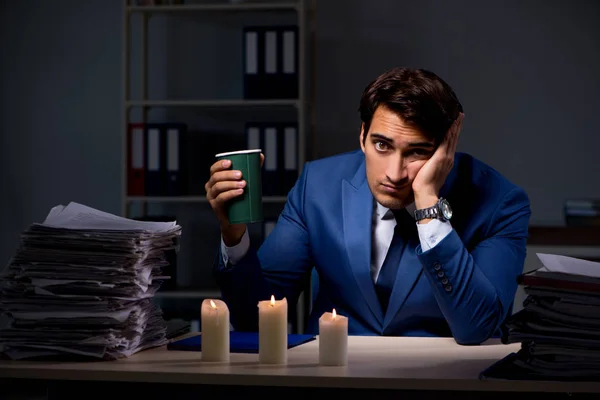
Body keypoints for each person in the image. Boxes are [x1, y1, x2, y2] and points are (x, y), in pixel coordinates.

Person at [205, 67, 531, 345]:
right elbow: (256, 317)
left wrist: (428, 206)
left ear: (446, 149)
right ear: (362, 135)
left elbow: (477, 328)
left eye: (417, 152)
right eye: (382, 145)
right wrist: (233, 234)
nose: (394, 173)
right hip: (334, 382)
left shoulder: (500, 203)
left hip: (439, 386)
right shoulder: (318, 186)